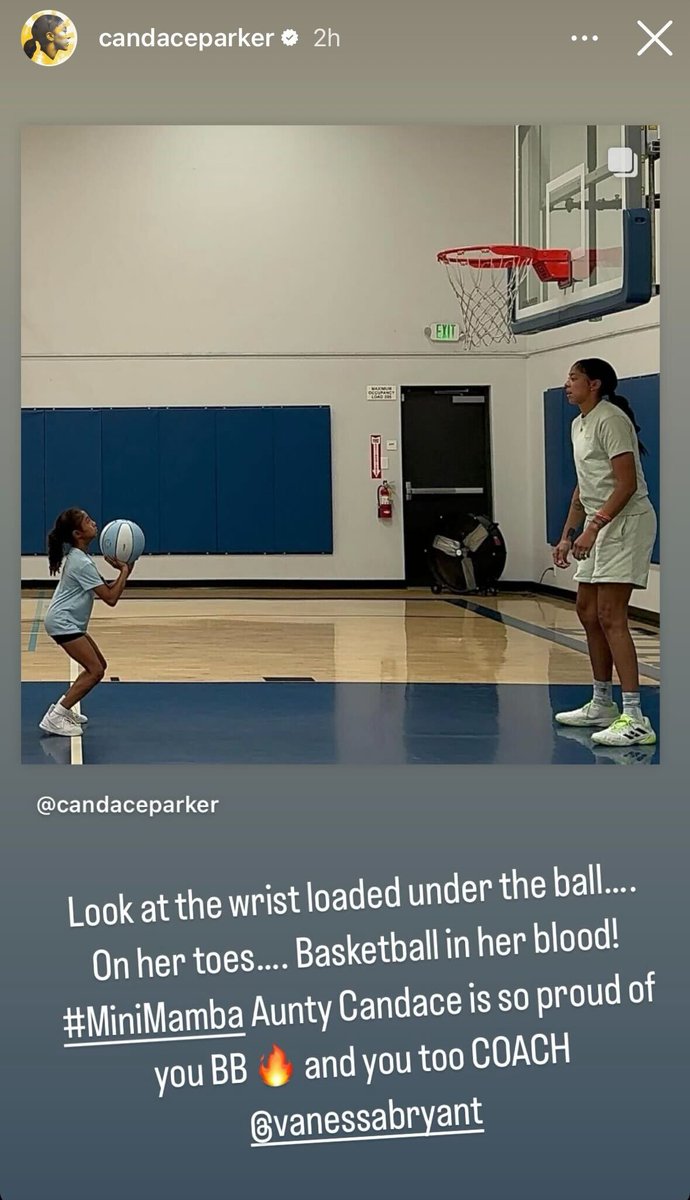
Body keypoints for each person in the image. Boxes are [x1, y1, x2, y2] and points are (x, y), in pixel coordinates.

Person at [552, 359, 657, 747]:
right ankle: (602, 703)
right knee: (586, 610)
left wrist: (594, 529)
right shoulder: (578, 424)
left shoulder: (611, 419)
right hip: (600, 523)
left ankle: (635, 717)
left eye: (574, 378)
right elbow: (583, 487)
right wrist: (568, 534)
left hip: (626, 522)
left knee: (612, 615)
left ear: (594, 384)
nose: (567, 384)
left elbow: (626, 484)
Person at [39, 508, 133, 738]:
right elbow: (111, 598)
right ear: (77, 534)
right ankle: (55, 716)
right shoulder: (82, 563)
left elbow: (108, 591)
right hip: (63, 623)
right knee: (95, 670)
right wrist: (125, 570)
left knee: (99, 665)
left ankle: (64, 709)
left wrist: (123, 572)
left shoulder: (81, 559)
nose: (94, 523)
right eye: (88, 521)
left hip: (68, 622)